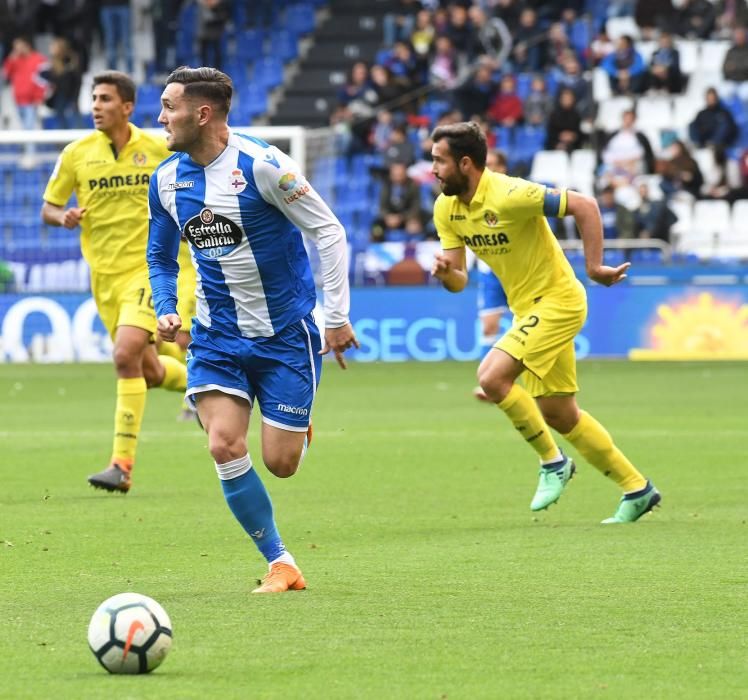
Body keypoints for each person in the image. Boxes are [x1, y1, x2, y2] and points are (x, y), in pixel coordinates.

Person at [147, 66, 359, 593]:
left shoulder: (263, 166)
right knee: (223, 444)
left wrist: (336, 317)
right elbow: (159, 254)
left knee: (280, 464)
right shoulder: (167, 180)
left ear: (203, 113)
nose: (160, 117)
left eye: (169, 106)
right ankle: (281, 562)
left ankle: (298, 428)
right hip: (216, 337)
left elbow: (328, 231)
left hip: (285, 333)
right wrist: (167, 306)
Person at [430, 122, 661, 524]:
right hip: (528, 311)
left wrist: (593, 267)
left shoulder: (510, 194)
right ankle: (637, 488)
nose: (432, 168)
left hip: (560, 301)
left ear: (465, 163)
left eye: (439, 160)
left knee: (491, 377)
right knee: (558, 413)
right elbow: (458, 280)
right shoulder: (446, 208)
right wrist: (446, 275)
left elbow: (585, 206)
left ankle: (553, 462)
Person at [41, 71, 189, 493]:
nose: (96, 106)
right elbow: (48, 207)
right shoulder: (76, 154)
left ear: (127, 107)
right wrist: (63, 216)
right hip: (103, 278)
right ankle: (197, 384)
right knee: (147, 368)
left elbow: (191, 183)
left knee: (125, 355)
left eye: (105, 99)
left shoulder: (159, 149)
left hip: (150, 268)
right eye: (93, 98)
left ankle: (121, 466)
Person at [474, 149, 509, 402]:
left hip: (517, 271)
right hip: (489, 272)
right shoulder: (475, 197)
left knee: (529, 327)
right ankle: (488, 382)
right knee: (489, 326)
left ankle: (527, 381)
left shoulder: (512, 194)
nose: (491, 169)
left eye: (495, 164)